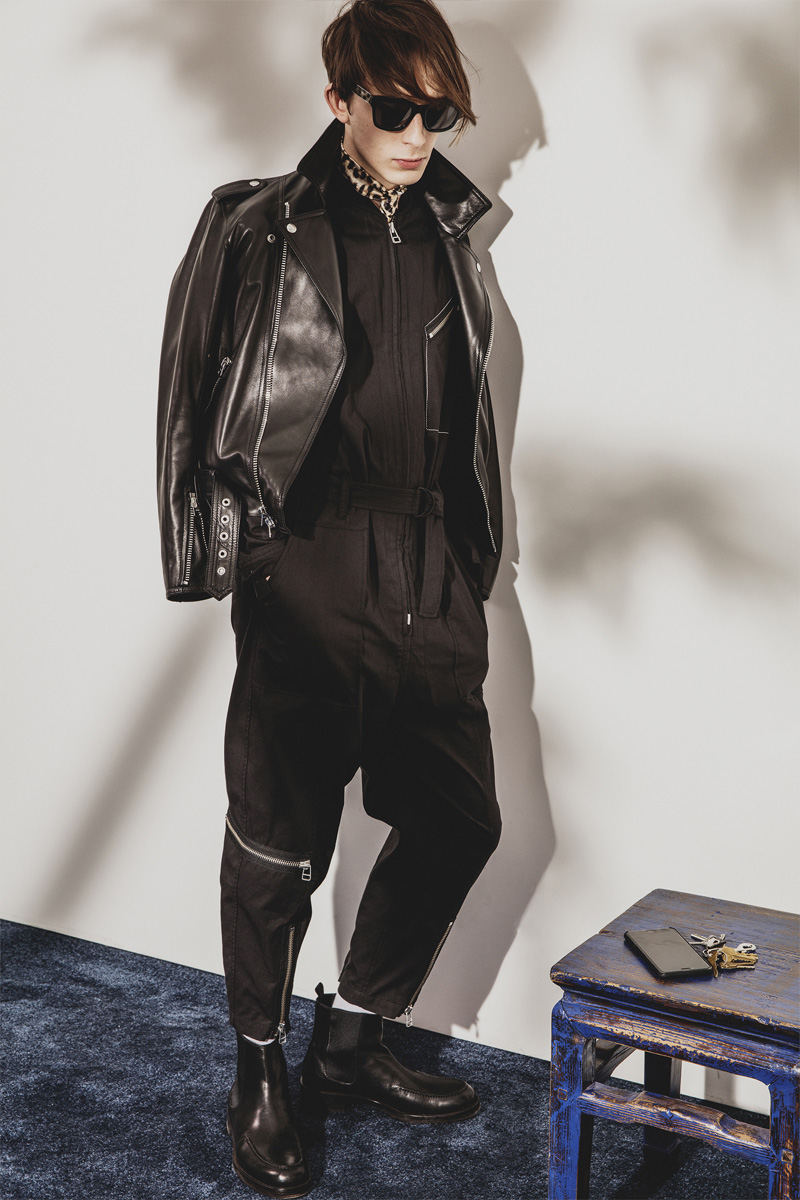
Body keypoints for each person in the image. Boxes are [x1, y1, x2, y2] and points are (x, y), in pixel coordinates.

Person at [156, 0, 504, 1194]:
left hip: (429, 563)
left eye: (436, 114)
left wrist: (470, 564)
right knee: (277, 843)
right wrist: (220, 563)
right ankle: (257, 1072)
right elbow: (187, 390)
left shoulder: (455, 234)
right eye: (392, 108)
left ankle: (352, 1040)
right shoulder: (255, 224)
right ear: (337, 102)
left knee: (460, 816)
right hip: (308, 553)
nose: (414, 134)